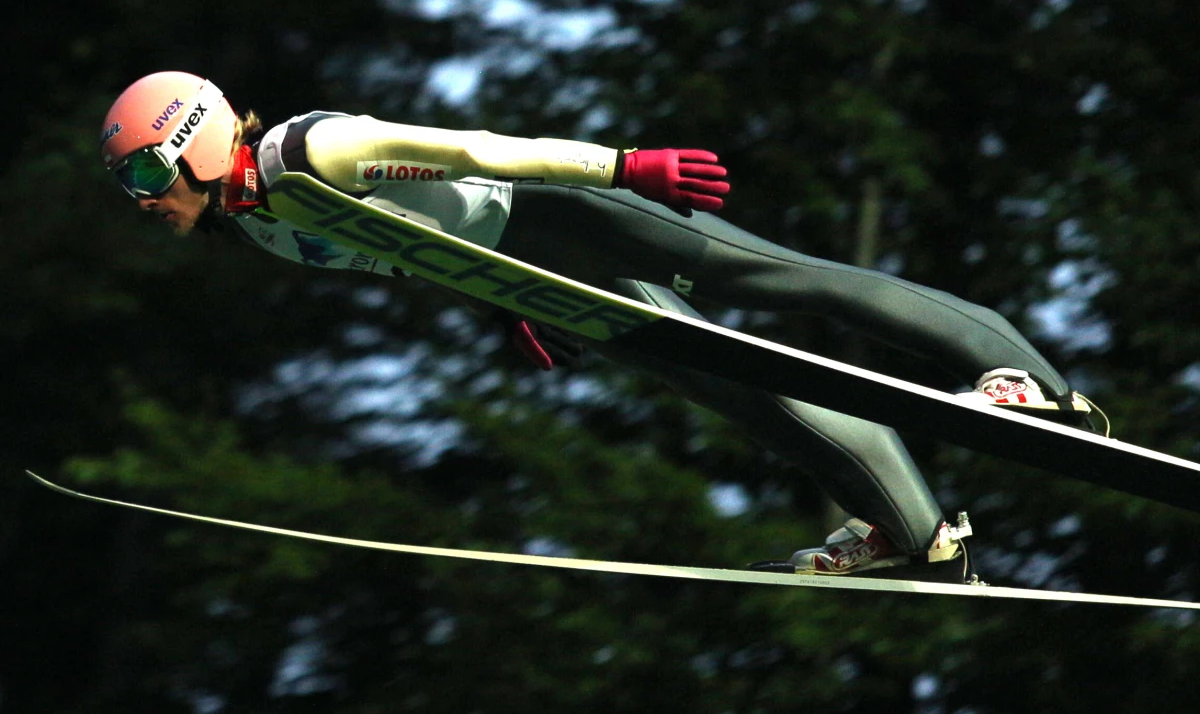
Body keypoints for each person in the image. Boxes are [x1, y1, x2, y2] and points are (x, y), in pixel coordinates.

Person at [99, 71, 1094, 579]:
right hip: (531, 269)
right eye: (128, 186)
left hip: (559, 214)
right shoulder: (263, 228)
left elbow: (472, 150)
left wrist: (624, 167)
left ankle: (1034, 383)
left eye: (147, 173)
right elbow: (416, 248)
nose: (143, 200)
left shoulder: (307, 153)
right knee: (737, 384)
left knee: (780, 281)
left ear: (195, 140)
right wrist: (512, 304)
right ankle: (917, 533)